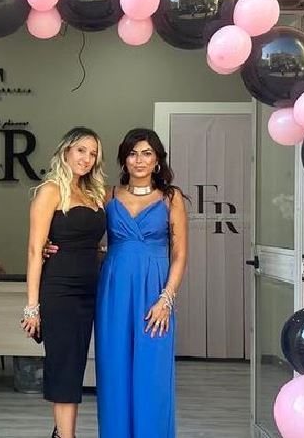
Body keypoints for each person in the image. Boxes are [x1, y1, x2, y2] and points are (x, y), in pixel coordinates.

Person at [96, 128, 188, 438]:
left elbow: (180, 254)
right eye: (133, 153)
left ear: (157, 160)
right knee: (114, 370)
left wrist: (166, 299)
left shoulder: (171, 198)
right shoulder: (107, 195)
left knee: (153, 373)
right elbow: (84, 235)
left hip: (155, 294)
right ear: (124, 159)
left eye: (147, 153)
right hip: (114, 292)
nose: (139, 160)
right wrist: (51, 247)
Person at [21, 127, 108, 438]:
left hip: (90, 291)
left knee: (74, 366)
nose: (87, 158)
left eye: (93, 153)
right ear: (66, 151)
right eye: (81, 150)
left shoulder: (94, 192)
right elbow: (35, 249)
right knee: (65, 367)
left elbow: (93, 243)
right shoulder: (50, 190)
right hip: (61, 290)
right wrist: (32, 306)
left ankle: (61, 433)